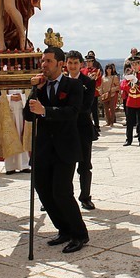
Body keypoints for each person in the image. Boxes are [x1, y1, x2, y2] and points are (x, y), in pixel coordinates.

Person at [25, 47, 88, 253]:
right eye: (42, 61)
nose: (44, 65)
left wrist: (46, 111)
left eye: (48, 61)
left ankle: (79, 234)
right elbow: (28, 115)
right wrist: (33, 90)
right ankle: (63, 229)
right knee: (43, 189)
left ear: (60, 64)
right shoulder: (39, 87)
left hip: (65, 147)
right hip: (43, 148)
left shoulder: (73, 85)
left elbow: (72, 112)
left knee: (62, 192)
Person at [66, 51, 96, 211]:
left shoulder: (88, 82)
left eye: (76, 63)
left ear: (81, 64)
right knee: (64, 166)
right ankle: (63, 196)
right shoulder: (61, 81)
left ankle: (85, 197)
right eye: (70, 63)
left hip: (82, 128)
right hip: (65, 129)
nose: (72, 66)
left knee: (85, 165)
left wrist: (68, 110)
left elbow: (86, 105)